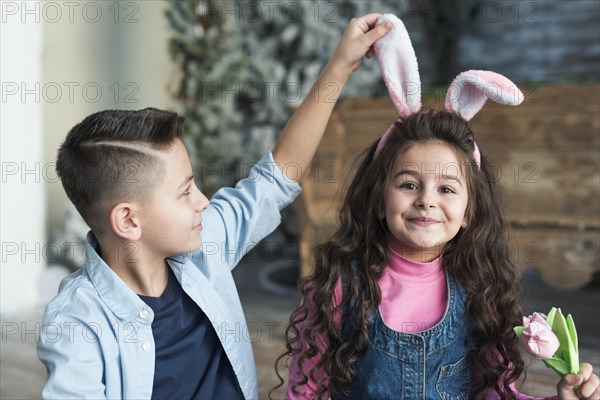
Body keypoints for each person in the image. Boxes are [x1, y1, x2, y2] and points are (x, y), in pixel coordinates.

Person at [36, 14, 392, 399]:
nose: (203, 201)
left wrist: (339, 67)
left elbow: (276, 179)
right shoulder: (76, 322)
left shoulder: (204, 243)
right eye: (185, 191)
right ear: (128, 220)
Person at [276, 14, 600, 400]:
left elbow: (496, 394)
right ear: (379, 201)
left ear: (470, 212)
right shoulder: (341, 286)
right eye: (409, 184)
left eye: (447, 188)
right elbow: (306, 389)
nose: (426, 199)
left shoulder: (481, 292)